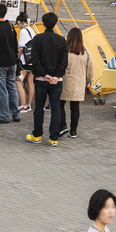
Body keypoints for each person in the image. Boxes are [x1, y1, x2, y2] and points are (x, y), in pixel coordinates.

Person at [26, 11, 69, 145]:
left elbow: (34, 59)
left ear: (43, 23)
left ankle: (37, 135)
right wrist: (56, 75)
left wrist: (44, 74)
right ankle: (53, 138)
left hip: (41, 79)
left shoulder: (37, 39)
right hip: (57, 81)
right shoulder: (61, 40)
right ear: (55, 23)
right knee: (56, 108)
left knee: (39, 108)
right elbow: (64, 61)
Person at [0, 3, 19, 124]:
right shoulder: (11, 26)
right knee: (12, 87)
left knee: (1, 90)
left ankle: (4, 116)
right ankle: (16, 113)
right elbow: (15, 45)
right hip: (12, 62)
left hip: (0, 63)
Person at [62, 26, 94, 138]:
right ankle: (73, 130)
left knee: (60, 104)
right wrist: (90, 80)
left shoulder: (65, 51)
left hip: (65, 81)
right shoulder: (85, 52)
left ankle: (63, 125)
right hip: (79, 82)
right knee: (75, 107)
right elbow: (90, 67)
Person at [15, 12, 35, 112]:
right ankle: (29, 104)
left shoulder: (23, 32)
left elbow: (21, 48)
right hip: (33, 61)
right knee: (30, 82)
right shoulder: (32, 30)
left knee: (18, 81)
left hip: (25, 62)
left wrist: (17, 58)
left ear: (19, 22)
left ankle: (23, 105)